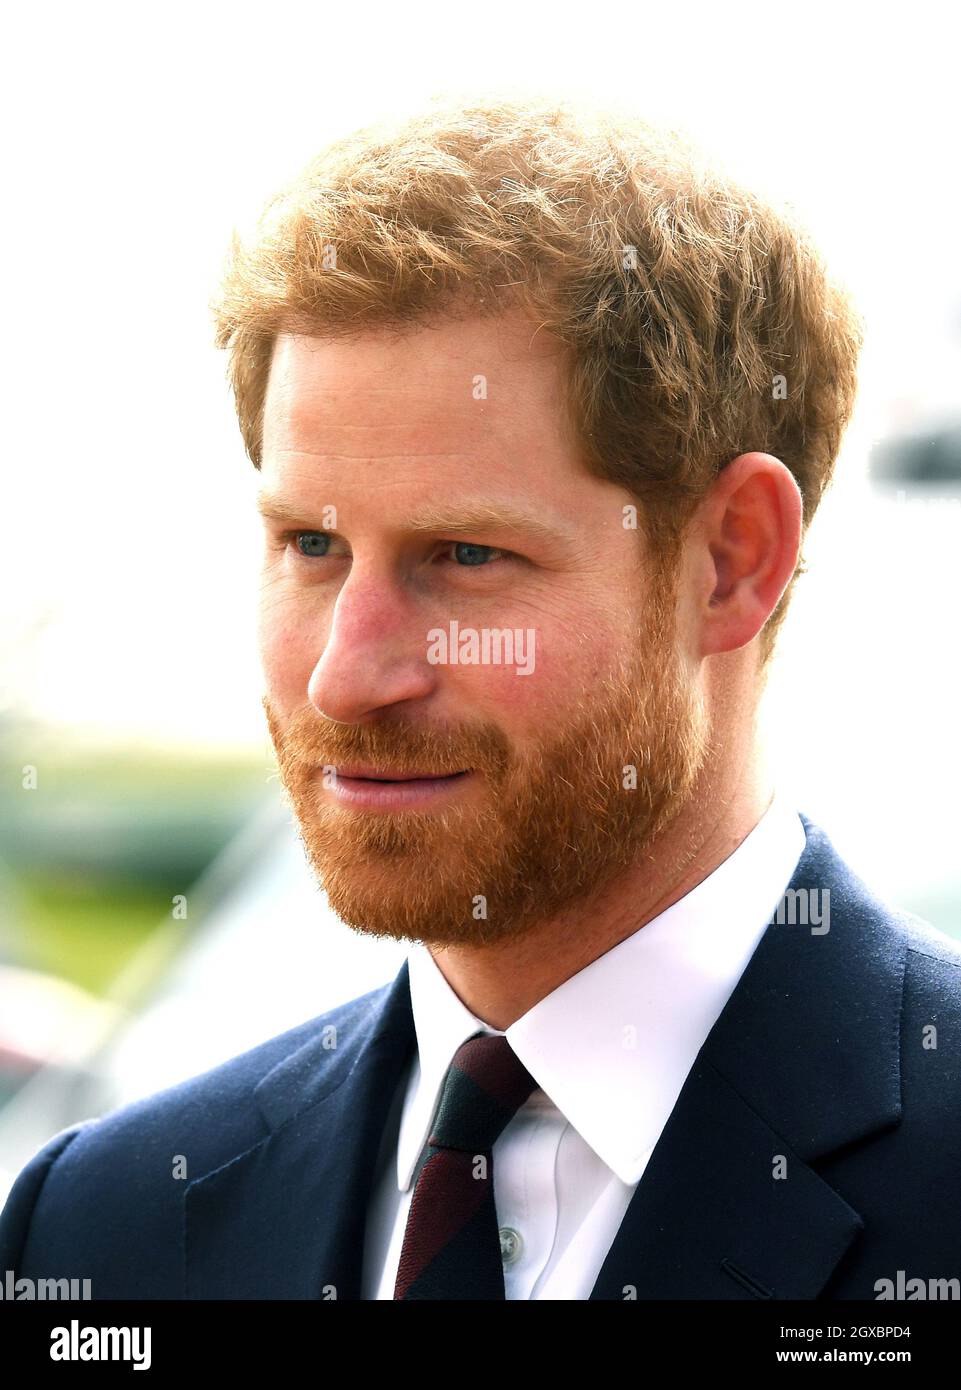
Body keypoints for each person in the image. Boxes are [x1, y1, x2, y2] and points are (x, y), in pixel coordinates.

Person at [3, 93, 960, 1301]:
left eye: (465, 556)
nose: (346, 673)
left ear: (732, 560)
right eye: (310, 544)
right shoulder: (101, 1228)